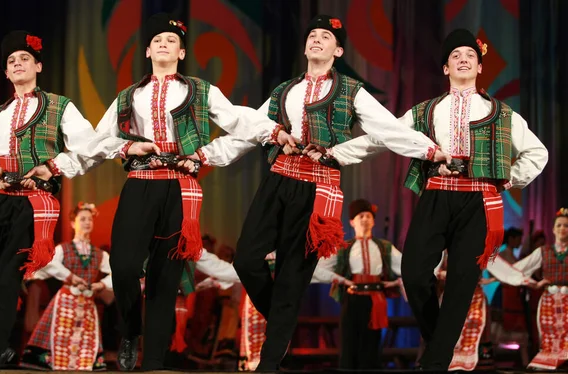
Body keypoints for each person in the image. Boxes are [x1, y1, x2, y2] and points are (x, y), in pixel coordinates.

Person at [226, 15, 448, 371]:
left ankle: (270, 359)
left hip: (318, 189)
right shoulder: (284, 90)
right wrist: (206, 154)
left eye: (325, 36)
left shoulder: (351, 90)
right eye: (312, 35)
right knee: (247, 260)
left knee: (291, 274)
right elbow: (249, 128)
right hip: (279, 179)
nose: (316, 39)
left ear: (338, 49)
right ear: (304, 47)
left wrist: (428, 150)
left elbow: (386, 130)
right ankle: (283, 316)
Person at [90, 13, 288, 370]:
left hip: (181, 187)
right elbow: (98, 139)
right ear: (148, 50)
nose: (164, 44)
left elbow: (239, 121)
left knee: (166, 277)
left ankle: (153, 360)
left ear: (181, 53)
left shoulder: (200, 90)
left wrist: (269, 133)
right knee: (124, 265)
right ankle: (131, 329)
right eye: (158, 40)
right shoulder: (129, 95)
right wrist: (127, 149)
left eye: (172, 41)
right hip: (141, 182)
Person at [394, 29, 548, 370]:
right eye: (455, 55)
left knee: (463, 282)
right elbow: (388, 134)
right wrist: (339, 153)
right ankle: (439, 343)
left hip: (478, 201)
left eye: (470, 55)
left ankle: (434, 362)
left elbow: (538, 152)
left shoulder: (501, 113)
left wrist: (507, 179)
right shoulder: (426, 110)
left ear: (479, 67)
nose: (463, 59)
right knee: (415, 272)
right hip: (436, 195)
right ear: (446, 68)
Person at [0, 30, 112, 370]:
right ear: (5, 73)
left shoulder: (60, 106)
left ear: (39, 65)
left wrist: (53, 167)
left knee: (6, 279)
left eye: (24, 59)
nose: (17, 64)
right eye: (11, 61)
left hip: (33, 204)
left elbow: (89, 148)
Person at [21, 203, 111, 371]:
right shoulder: (63, 249)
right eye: (82, 219)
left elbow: (116, 274)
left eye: (90, 219)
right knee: (61, 338)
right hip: (65, 303)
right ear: (72, 223)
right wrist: (70, 277)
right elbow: (46, 265)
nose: (87, 222)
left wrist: (101, 284)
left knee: (86, 341)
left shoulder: (100, 254)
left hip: (87, 304)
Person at [312, 199, 400, 369]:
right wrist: (340, 280)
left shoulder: (384, 247)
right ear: (352, 222)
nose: (365, 219)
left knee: (372, 347)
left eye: (368, 216)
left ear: (373, 221)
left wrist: (396, 281)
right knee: (349, 345)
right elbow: (320, 268)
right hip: (352, 299)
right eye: (361, 216)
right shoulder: (343, 247)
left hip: (375, 301)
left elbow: (404, 266)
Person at [498, 208, 568, 370]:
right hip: (549, 299)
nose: (562, 229)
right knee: (549, 334)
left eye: (566, 226)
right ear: (553, 229)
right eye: (559, 225)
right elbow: (519, 269)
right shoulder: (543, 251)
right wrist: (495, 276)